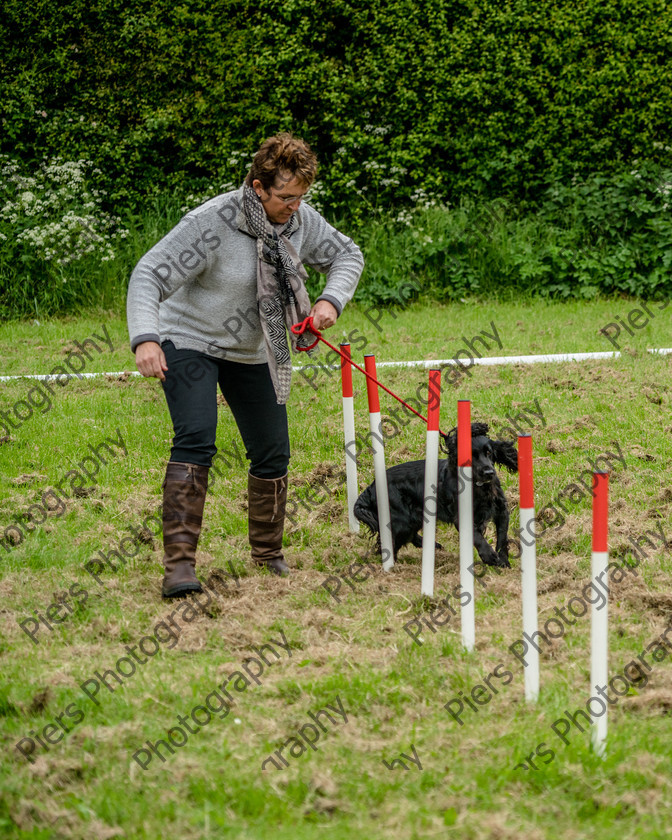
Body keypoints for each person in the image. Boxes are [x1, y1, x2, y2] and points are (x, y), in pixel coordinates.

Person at [127, 133, 364, 597]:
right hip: (189, 339)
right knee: (197, 436)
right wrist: (146, 339)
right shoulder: (211, 222)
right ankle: (179, 568)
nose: (295, 206)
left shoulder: (299, 222)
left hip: (255, 347)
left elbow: (347, 255)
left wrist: (329, 302)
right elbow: (149, 273)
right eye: (285, 197)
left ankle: (268, 555)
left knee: (272, 448)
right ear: (258, 188)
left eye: (301, 197)